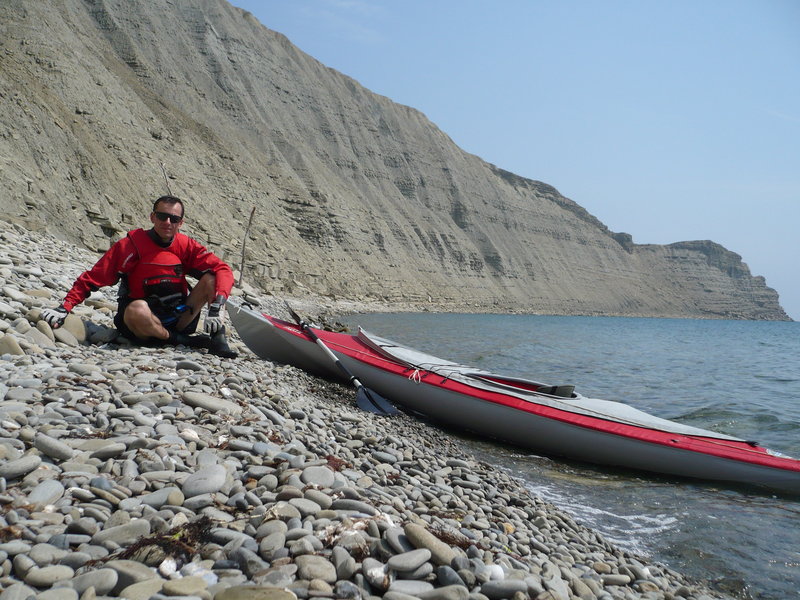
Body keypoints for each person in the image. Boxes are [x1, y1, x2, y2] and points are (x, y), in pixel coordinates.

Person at [40, 195, 237, 358]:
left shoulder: (186, 246)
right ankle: (179, 340)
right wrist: (64, 307)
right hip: (140, 321)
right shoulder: (129, 246)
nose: (167, 222)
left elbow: (223, 270)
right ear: (152, 217)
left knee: (211, 279)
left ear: (181, 223)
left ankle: (218, 340)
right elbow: (94, 278)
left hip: (178, 316)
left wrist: (217, 306)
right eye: (162, 216)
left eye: (174, 219)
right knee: (137, 309)